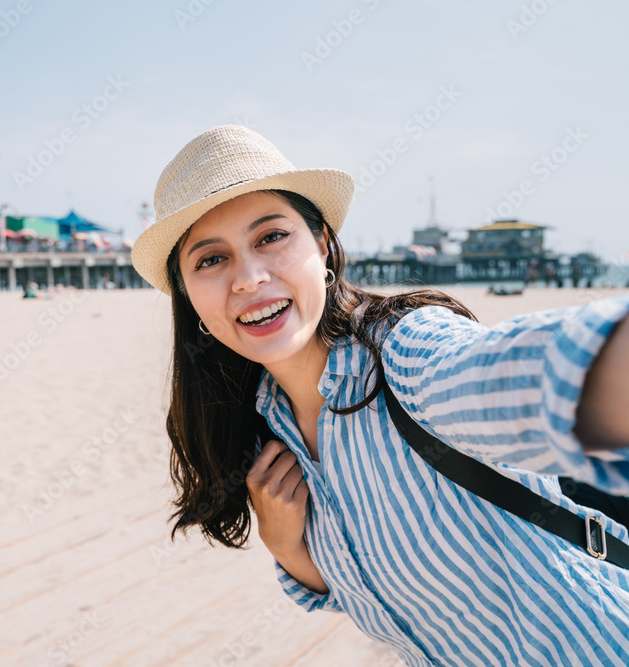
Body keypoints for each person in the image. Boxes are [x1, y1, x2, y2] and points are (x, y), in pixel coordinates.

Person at [130, 125, 629, 667]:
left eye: (271, 237)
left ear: (321, 243)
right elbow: (367, 595)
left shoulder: (406, 357)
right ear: (188, 294)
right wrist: (287, 547)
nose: (249, 278)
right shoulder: (262, 428)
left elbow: (533, 376)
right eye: (210, 259)